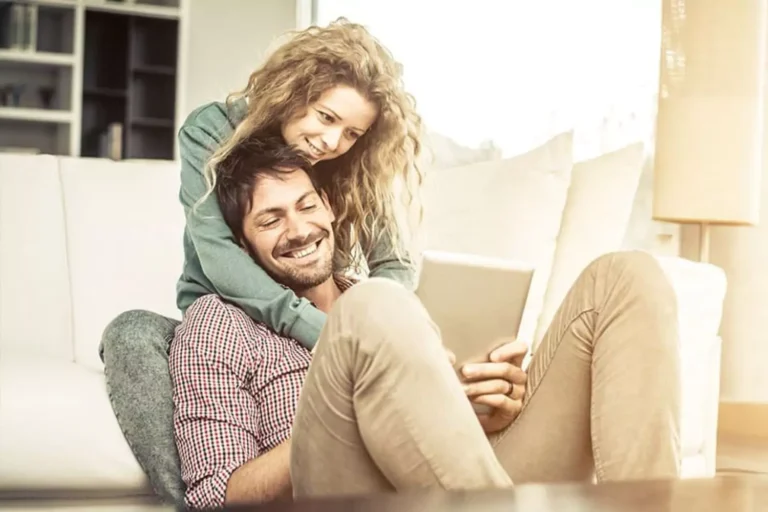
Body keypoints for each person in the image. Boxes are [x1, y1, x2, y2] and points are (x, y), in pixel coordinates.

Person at [171, 137, 682, 509]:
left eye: (307, 206)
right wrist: (351, 404)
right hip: (351, 492)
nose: (299, 229)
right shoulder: (217, 324)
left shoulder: (391, 298)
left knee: (625, 275)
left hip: (458, 487)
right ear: (241, 244)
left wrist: (487, 408)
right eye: (271, 219)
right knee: (374, 306)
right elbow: (218, 496)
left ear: (328, 208)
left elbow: (439, 439)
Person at [98, 18, 423, 504]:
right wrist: (329, 335)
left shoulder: (348, 164)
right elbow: (220, 256)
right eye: (326, 117)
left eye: (352, 133)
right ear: (293, 92)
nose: (332, 142)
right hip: (231, 313)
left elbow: (394, 262)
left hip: (321, 314)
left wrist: (379, 324)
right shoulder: (213, 130)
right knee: (132, 331)